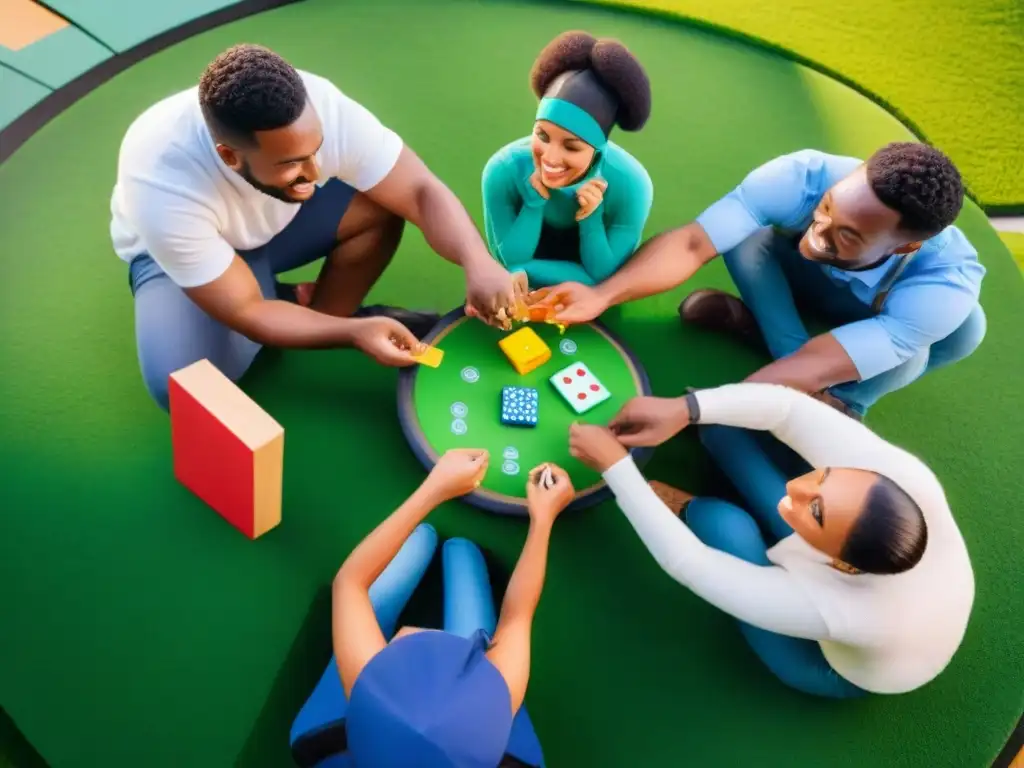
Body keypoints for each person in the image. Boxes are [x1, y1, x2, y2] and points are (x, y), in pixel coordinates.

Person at [110, 43, 518, 410]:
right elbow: (247, 309)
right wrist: (352, 333)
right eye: (291, 163)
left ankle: (319, 312)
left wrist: (476, 260)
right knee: (181, 385)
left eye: (316, 149)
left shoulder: (319, 103)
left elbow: (418, 191)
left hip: (279, 223)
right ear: (230, 157)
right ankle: (289, 301)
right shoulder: (161, 179)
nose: (316, 171)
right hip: (189, 253)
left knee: (382, 201)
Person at [565, 382, 974, 698]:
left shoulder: (840, 611)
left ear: (843, 564)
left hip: (832, 664)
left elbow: (689, 564)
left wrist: (616, 468)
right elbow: (789, 408)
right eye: (825, 475)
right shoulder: (902, 477)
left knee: (724, 523)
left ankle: (692, 508)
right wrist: (686, 409)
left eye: (815, 510)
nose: (794, 488)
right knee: (723, 433)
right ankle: (805, 512)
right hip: (856, 572)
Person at [534, 143, 986, 420]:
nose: (817, 232)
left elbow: (817, 362)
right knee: (745, 235)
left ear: (905, 247)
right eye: (827, 207)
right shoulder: (799, 176)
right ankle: (767, 337)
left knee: (937, 345)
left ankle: (845, 404)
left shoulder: (945, 286)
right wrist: (601, 294)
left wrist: (693, 410)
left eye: (846, 235)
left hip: (868, 321)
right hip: (803, 283)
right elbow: (694, 244)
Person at [292, 449, 573, 766]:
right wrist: (543, 519)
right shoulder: (499, 698)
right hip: (496, 743)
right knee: (464, 559)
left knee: (408, 553)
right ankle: (462, 552)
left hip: (336, 750)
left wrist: (433, 489)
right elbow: (518, 616)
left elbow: (350, 582)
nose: (417, 631)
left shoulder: (365, 690)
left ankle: (428, 542)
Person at [480, 30, 653, 289]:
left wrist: (591, 219)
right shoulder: (503, 170)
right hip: (514, 294)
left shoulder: (632, 184)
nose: (550, 157)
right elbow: (508, 259)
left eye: (571, 147)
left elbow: (603, 276)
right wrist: (533, 203)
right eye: (542, 135)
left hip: (592, 308)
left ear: (598, 149)